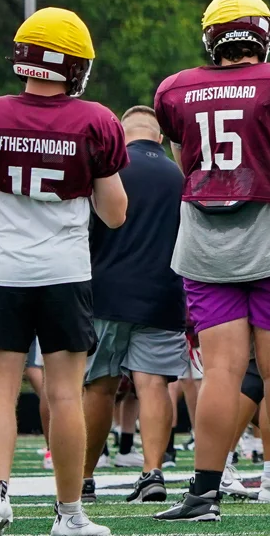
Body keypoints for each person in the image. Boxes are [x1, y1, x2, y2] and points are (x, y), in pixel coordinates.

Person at [152, 0, 270, 521]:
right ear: (263, 35)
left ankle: (204, 493)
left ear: (212, 39)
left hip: (208, 242)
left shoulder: (175, 91)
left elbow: (188, 167)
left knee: (221, 373)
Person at [0, 7, 129, 536]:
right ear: (75, 66)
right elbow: (115, 212)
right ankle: (70, 515)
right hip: (63, 273)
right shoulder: (96, 121)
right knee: (64, 396)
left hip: (4, 273)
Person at [83, 105, 188, 505]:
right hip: (163, 293)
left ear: (122, 134)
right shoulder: (178, 175)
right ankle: (152, 472)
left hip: (105, 294)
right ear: (158, 138)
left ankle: (84, 479)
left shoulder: (109, 168)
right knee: (153, 383)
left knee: (99, 387)